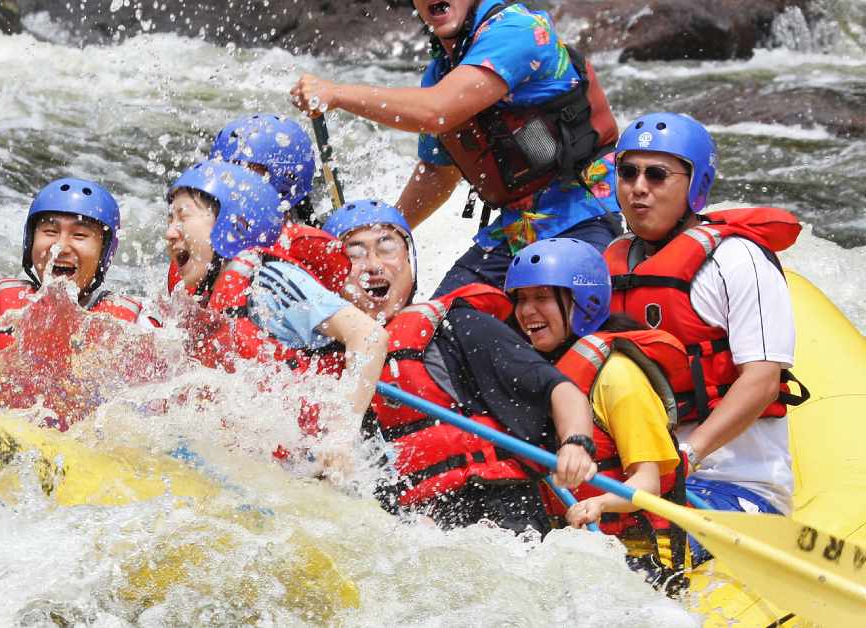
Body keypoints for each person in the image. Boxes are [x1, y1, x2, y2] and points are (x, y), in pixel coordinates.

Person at [290, 0, 622, 294]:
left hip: (583, 215)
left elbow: (436, 111)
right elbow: (438, 173)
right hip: (516, 229)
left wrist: (336, 94)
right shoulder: (441, 72)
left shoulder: (518, 30)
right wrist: (384, 233)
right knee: (435, 330)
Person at [322, 199, 597, 533]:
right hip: (419, 524)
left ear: (410, 263)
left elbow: (560, 390)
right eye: (354, 254)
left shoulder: (456, 325)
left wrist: (576, 444)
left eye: (387, 247)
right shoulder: (331, 369)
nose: (373, 265)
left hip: (497, 506)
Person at [605, 112, 806, 530]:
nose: (638, 187)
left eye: (657, 175)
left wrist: (686, 458)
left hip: (734, 483)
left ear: (695, 186)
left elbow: (763, 380)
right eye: (628, 172)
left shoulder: (738, 260)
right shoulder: (611, 260)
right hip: (637, 473)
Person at [505, 237, 692, 590]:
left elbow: (647, 484)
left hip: (646, 555)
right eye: (521, 299)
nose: (526, 311)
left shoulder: (617, 377)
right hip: (583, 552)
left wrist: (599, 504)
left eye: (542, 297)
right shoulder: (543, 377)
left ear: (585, 302)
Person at [165, 160, 388, 450]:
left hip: (312, 468)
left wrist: (340, 436)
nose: (170, 233)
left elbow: (370, 336)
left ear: (232, 222)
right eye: (169, 220)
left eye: (183, 217)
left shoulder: (267, 281)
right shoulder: (205, 300)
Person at [0, 177, 157, 350]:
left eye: (80, 234)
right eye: (50, 231)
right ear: (30, 243)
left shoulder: (133, 331)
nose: (61, 246)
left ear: (104, 253)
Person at [168, 114, 320, 294]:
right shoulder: (195, 256)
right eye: (223, 171)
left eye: (242, 173)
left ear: (287, 182)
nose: (228, 181)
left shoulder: (306, 251)